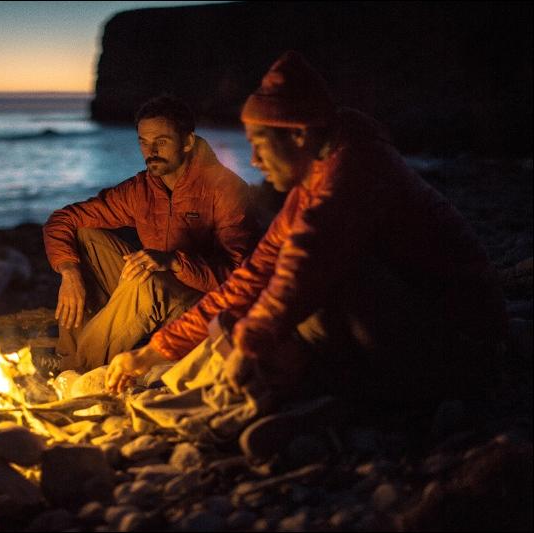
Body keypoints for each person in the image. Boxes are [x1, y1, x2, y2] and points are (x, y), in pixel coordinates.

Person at [106, 51, 508, 414]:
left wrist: (247, 346)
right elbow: (254, 273)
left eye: (260, 144)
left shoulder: (352, 176)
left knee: (315, 290)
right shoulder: (313, 181)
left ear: (298, 134)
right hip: (418, 325)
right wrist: (153, 352)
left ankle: (352, 398)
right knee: (251, 308)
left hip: (463, 344)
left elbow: (299, 273)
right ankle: (307, 390)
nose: (254, 160)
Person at [43, 95, 256, 373]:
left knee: (147, 282)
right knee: (85, 235)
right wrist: (69, 273)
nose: (150, 150)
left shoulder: (225, 189)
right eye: (143, 141)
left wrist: (175, 262)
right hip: (157, 290)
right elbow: (63, 219)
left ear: (188, 142)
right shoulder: (142, 189)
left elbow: (239, 280)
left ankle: (74, 370)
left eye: (162, 141)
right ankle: (68, 355)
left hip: (204, 307)